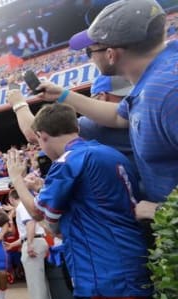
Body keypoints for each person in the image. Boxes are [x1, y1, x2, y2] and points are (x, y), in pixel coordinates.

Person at [6, 103, 159, 299]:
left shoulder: (69, 161)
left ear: (42, 136)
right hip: (126, 256)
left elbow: (39, 211)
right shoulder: (106, 152)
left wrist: (16, 180)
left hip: (109, 268)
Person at [36, 0, 178, 221]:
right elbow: (119, 116)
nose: (89, 56)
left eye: (89, 50)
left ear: (111, 54)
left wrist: (160, 211)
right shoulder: (155, 81)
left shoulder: (168, 92)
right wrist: (62, 95)